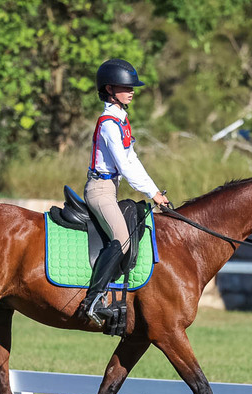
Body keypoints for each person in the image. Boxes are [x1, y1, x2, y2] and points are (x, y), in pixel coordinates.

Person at [79, 58, 170, 325]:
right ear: (109, 89)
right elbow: (124, 166)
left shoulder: (121, 120)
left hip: (111, 189)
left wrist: (154, 190)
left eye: (132, 87)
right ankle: (93, 301)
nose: (132, 91)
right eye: (125, 86)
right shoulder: (108, 123)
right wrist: (152, 193)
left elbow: (133, 160)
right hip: (99, 190)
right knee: (122, 238)